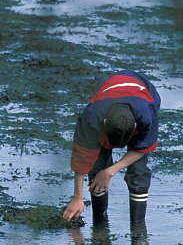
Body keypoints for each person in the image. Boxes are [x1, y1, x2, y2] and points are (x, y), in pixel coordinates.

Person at [62, 70, 160, 223]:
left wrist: (109, 172)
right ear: (105, 123)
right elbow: (82, 156)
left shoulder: (147, 115)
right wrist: (78, 197)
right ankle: (99, 224)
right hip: (106, 102)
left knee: (138, 173)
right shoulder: (92, 116)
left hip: (143, 93)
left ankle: (138, 229)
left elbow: (141, 149)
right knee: (97, 168)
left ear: (135, 126)